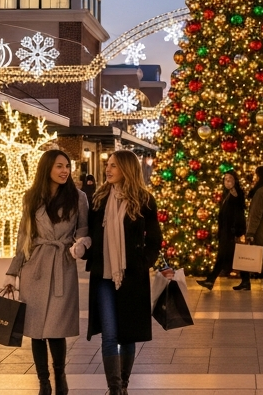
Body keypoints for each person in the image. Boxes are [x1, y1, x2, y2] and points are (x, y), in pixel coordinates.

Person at [86, 149, 172, 395]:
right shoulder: (99, 199)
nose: (108, 170)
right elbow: (91, 234)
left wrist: (143, 263)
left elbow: (155, 239)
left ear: (127, 169)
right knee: (110, 334)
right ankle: (115, 389)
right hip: (103, 275)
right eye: (108, 165)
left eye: (114, 165)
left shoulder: (144, 200)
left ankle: (123, 384)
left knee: (128, 334)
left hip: (132, 276)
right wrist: (83, 247)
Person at [5, 149, 90, 395]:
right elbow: (24, 235)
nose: (65, 171)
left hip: (62, 265)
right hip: (35, 268)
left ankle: (60, 375)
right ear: (47, 169)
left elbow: (84, 231)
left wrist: (81, 246)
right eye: (59, 166)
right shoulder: (31, 197)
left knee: (56, 328)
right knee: (35, 330)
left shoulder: (79, 197)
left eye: (67, 166)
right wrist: (13, 271)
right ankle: (43, 382)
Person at [198, 169, 247, 290]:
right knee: (233, 255)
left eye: (230, 179)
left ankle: (211, 280)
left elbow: (238, 210)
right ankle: (245, 281)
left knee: (224, 256)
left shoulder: (235, 193)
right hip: (226, 231)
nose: (227, 181)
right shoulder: (227, 194)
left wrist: (236, 230)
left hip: (231, 231)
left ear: (235, 180)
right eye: (225, 179)